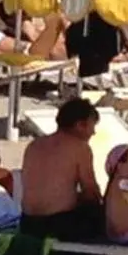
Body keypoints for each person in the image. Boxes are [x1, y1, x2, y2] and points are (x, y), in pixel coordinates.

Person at [19, 97, 107, 240]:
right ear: (80, 125)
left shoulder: (34, 145)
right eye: (92, 126)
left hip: (28, 222)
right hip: (58, 224)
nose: (93, 132)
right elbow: (90, 190)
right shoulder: (79, 147)